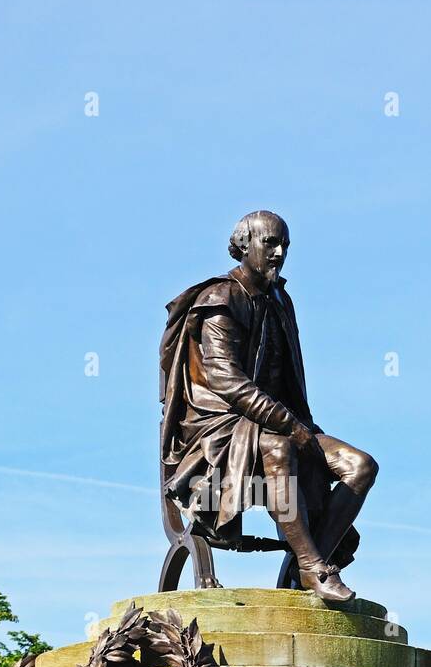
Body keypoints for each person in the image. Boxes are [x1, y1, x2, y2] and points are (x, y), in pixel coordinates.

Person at [160, 210, 378, 603]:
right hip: (218, 428)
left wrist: (304, 428)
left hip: (278, 422)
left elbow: (290, 379)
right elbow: (226, 380)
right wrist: (290, 426)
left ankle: (309, 561)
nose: (279, 253)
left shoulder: (281, 301)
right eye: (270, 243)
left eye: (285, 246)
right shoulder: (218, 298)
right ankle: (314, 567)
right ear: (244, 246)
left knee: (360, 466)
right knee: (279, 447)